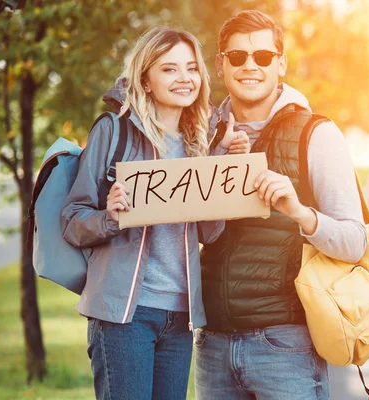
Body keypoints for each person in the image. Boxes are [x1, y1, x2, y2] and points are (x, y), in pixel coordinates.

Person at [61, 27, 249, 400]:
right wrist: (111, 216)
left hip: (180, 316)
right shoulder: (114, 132)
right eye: (169, 69)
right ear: (145, 80)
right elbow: (72, 220)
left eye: (192, 68)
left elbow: (209, 233)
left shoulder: (200, 142)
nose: (185, 79)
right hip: (124, 316)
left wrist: (224, 166)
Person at [194, 10, 368, 399]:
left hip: (285, 345)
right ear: (221, 65)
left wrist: (300, 213)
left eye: (263, 56)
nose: (250, 66)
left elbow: (355, 242)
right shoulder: (202, 135)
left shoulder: (316, 134)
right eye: (237, 57)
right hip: (213, 345)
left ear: (281, 63)